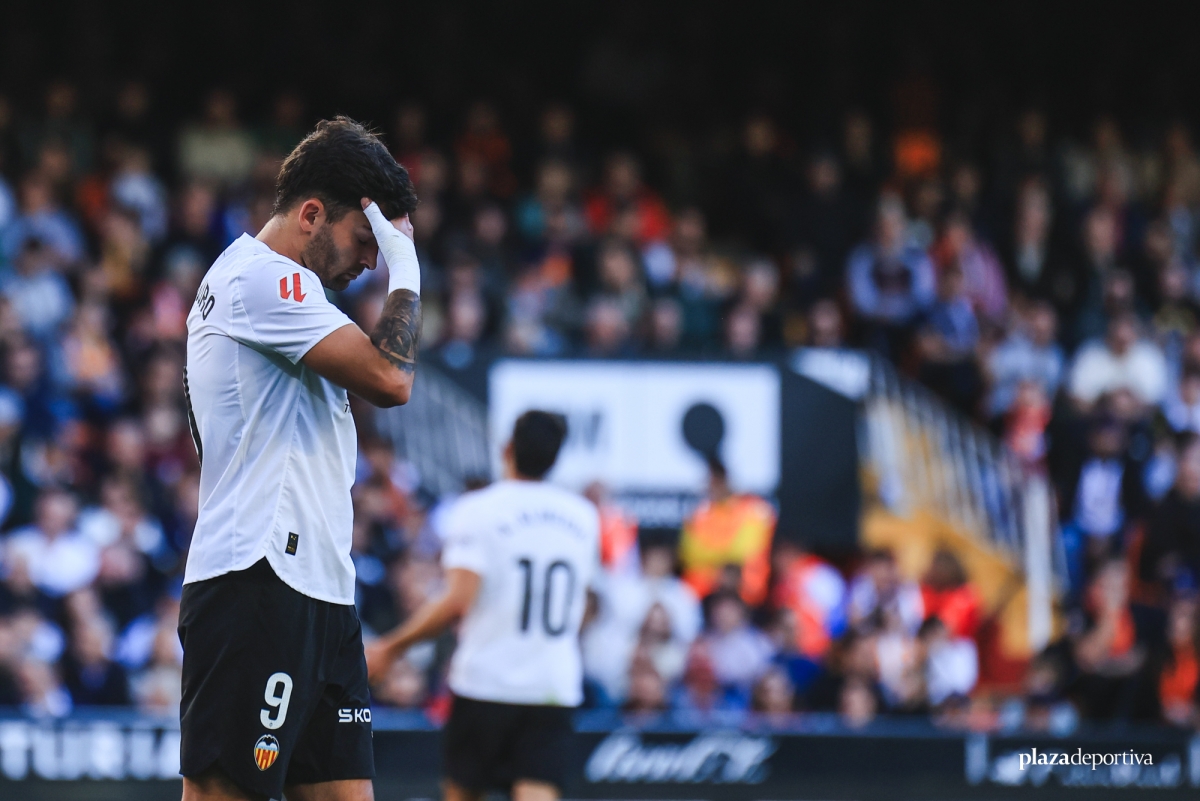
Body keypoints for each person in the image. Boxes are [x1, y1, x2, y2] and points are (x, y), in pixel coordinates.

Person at [178, 117, 421, 801]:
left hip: (321, 590)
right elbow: (392, 380)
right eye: (367, 241)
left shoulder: (296, 300)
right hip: (256, 580)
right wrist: (410, 277)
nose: (373, 261)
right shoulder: (260, 281)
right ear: (311, 213)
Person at [364, 411, 599, 801]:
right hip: (552, 683)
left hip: (487, 680)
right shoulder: (584, 517)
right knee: (538, 790)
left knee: (464, 792)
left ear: (507, 449)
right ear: (555, 457)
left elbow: (457, 602)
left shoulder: (478, 509)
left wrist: (391, 647)